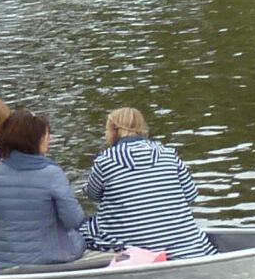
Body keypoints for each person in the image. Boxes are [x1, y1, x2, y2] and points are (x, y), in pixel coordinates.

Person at [0, 111, 101, 271]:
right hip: (49, 256)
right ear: (36, 140)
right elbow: (73, 220)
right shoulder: (52, 174)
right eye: (47, 134)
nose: (50, 138)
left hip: (0, 256)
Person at [82, 108, 214, 258]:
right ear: (141, 128)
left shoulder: (105, 161)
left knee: (85, 228)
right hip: (184, 244)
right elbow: (191, 195)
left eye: (106, 130)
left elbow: (93, 195)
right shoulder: (168, 154)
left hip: (130, 240)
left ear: (113, 131)